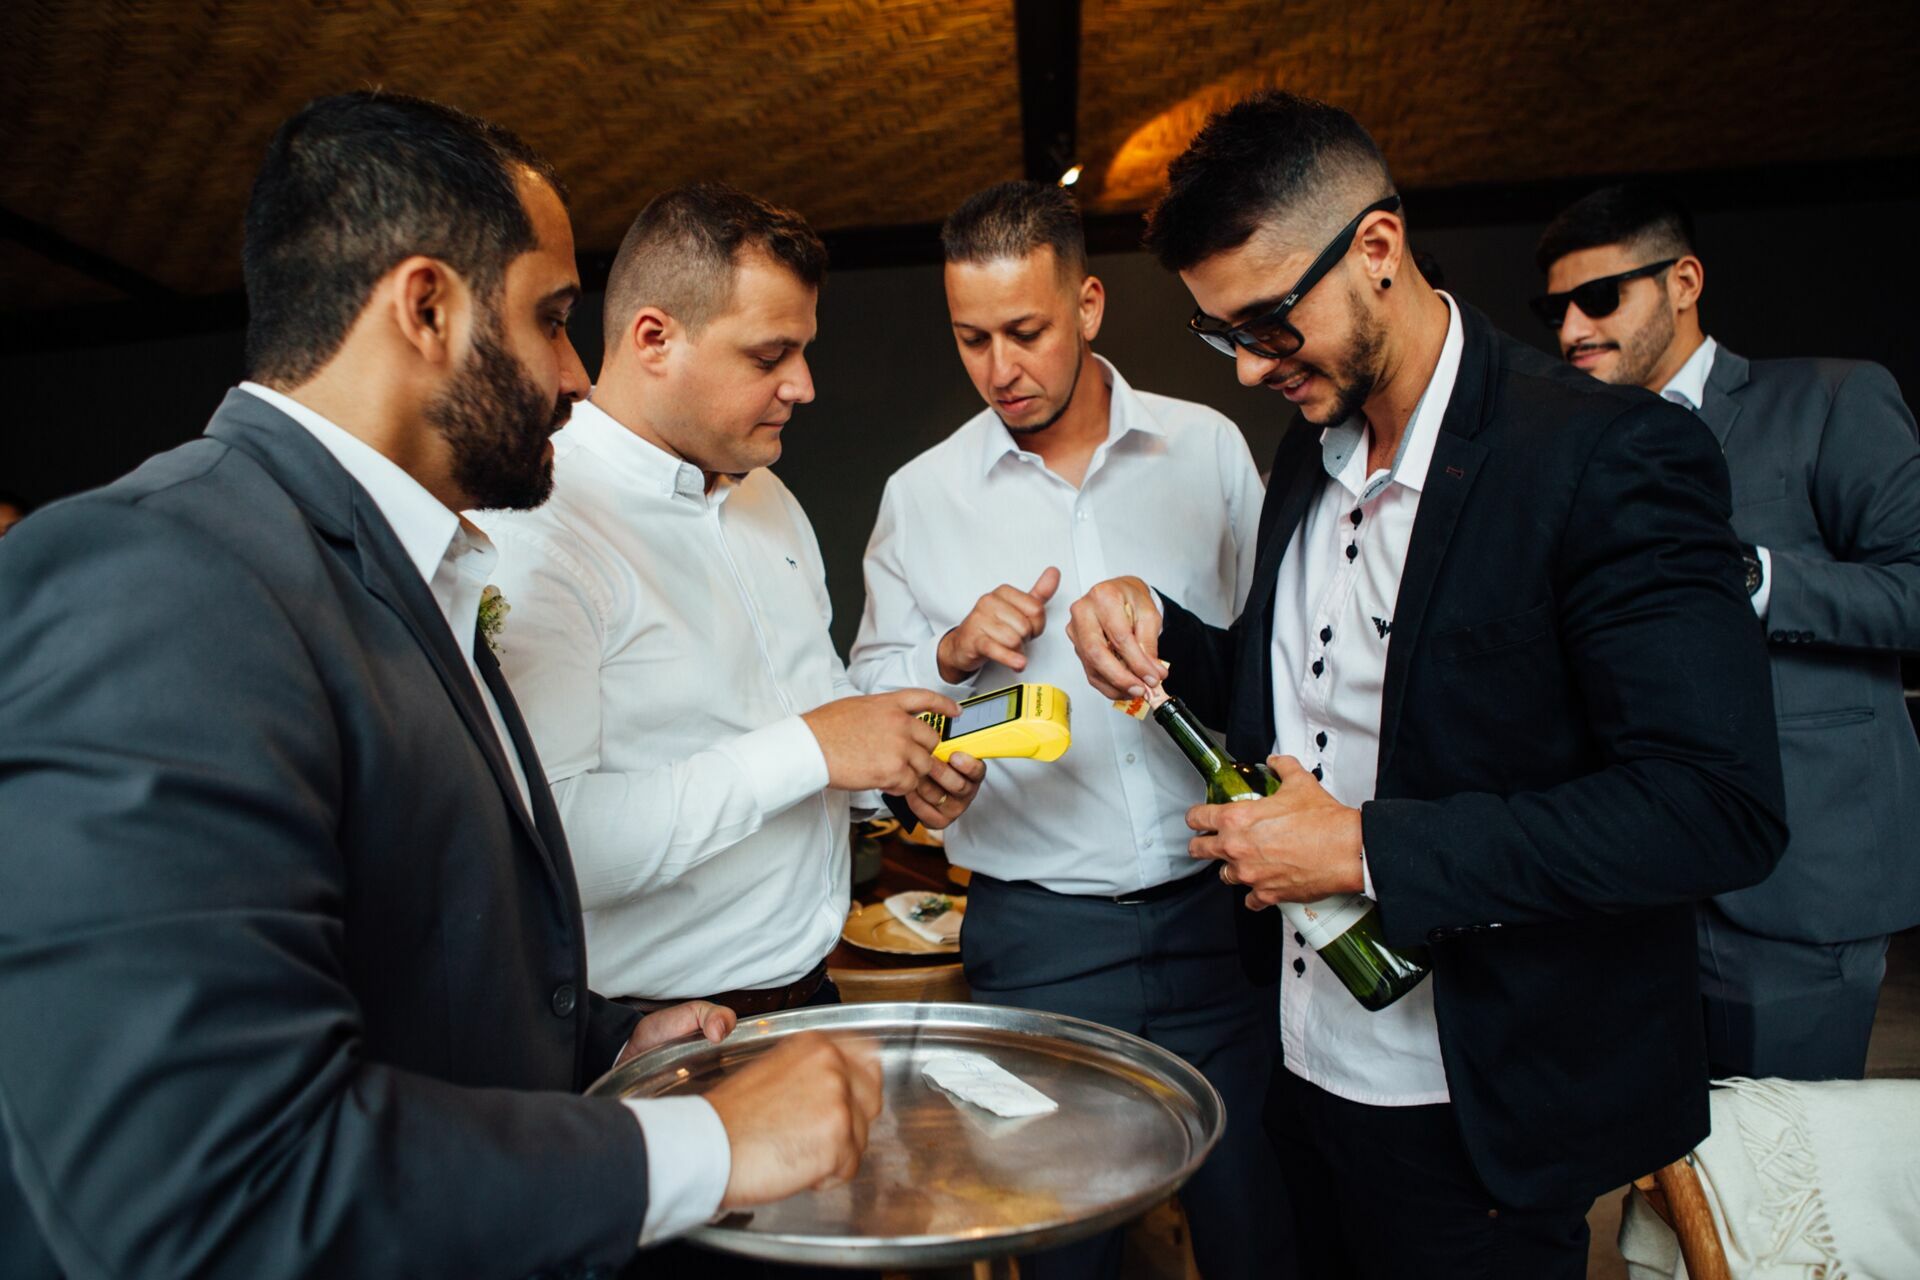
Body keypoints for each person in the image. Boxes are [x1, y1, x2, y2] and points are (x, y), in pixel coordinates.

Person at [0, 93, 881, 1280]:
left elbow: (401, 943)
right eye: (554, 318)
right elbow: (216, 1183)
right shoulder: (153, 576)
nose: (576, 374)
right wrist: (700, 1144)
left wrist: (601, 1039)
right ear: (427, 308)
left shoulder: (418, 567)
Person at [1064, 91, 1787, 1279]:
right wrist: (1172, 635)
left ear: (1379, 250)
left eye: (1267, 321)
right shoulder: (1310, 445)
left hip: (1476, 1098)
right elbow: (1306, 686)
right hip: (1297, 1057)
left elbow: (1715, 804)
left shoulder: (1607, 454)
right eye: (1220, 333)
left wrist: (1365, 850)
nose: (1247, 366)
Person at [847, 180, 1283, 1280]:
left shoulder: (1209, 451)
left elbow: (1278, 663)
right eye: (972, 338)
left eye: (1026, 331)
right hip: (1038, 944)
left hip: (1224, 918)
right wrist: (944, 655)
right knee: (1065, 1257)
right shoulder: (921, 494)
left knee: (1265, 1238)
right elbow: (869, 709)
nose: (1002, 368)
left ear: (1088, 304)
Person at [474, 182, 985, 1021]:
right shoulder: (541, 527)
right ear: (653, 339)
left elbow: (807, 713)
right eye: (768, 355)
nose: (804, 386)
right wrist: (813, 749)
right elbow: (555, 842)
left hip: (816, 999)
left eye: (803, 351)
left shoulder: (768, 499)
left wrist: (894, 774)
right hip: (661, 1032)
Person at [1535, 182, 1920, 1080]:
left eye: (1600, 299)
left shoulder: (1831, 400)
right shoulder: (1567, 448)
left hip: (1799, 874)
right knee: (1667, 1186)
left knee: (1789, 1181)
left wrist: (1757, 577)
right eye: (1555, 309)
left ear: (1684, 281)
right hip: (1630, 883)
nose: (1571, 331)